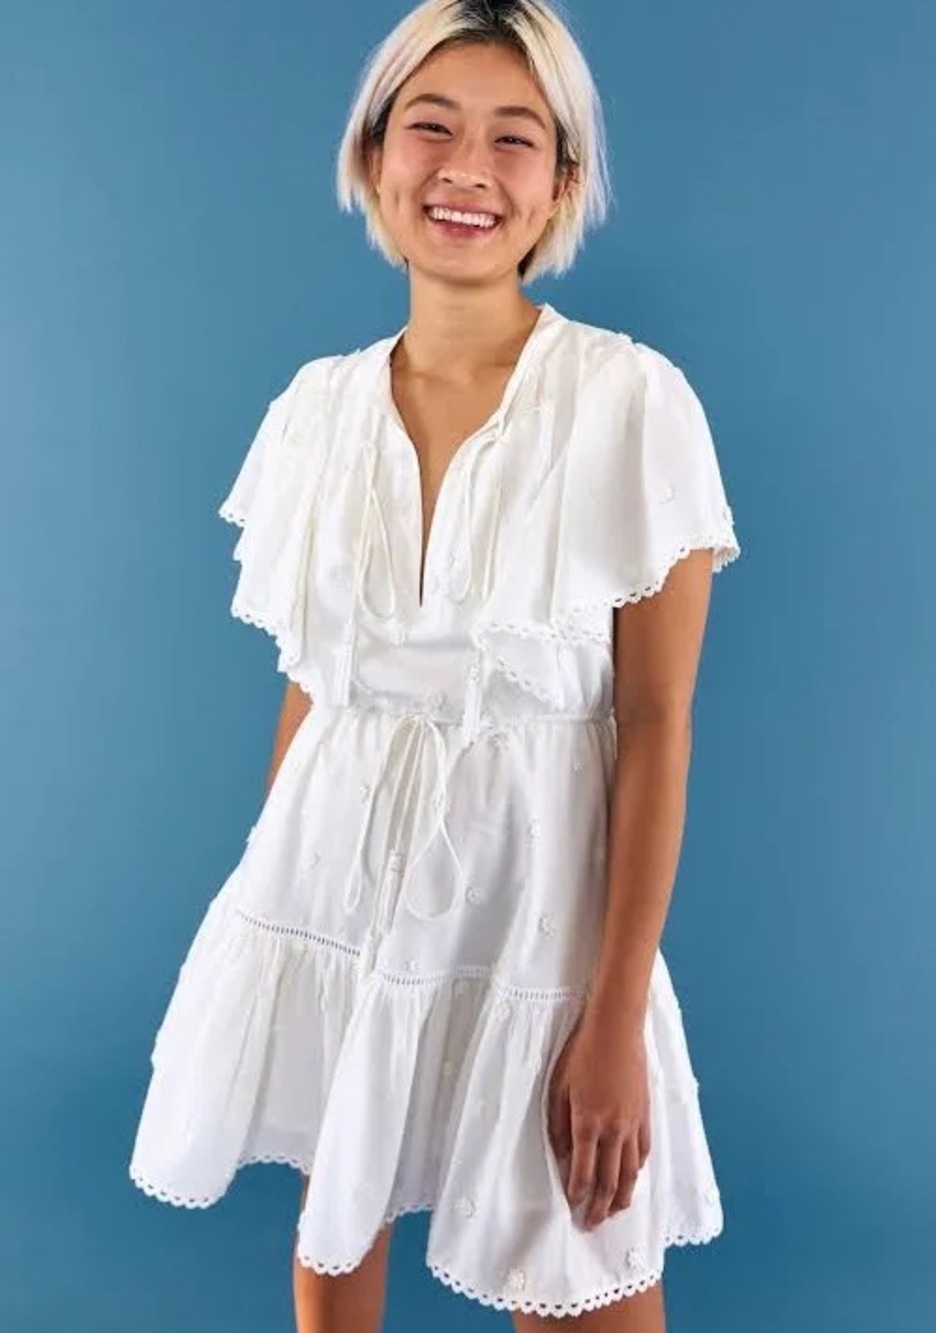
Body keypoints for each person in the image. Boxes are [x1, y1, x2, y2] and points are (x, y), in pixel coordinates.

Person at [128, 1, 742, 1329]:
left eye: (514, 138)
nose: (468, 168)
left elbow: (655, 721)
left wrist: (613, 1018)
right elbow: (317, 687)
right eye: (432, 126)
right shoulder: (315, 412)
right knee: (331, 1229)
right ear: (372, 158)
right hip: (332, 887)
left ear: (562, 183)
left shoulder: (631, 401)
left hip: (541, 915)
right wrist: (284, 928)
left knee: (578, 1259)